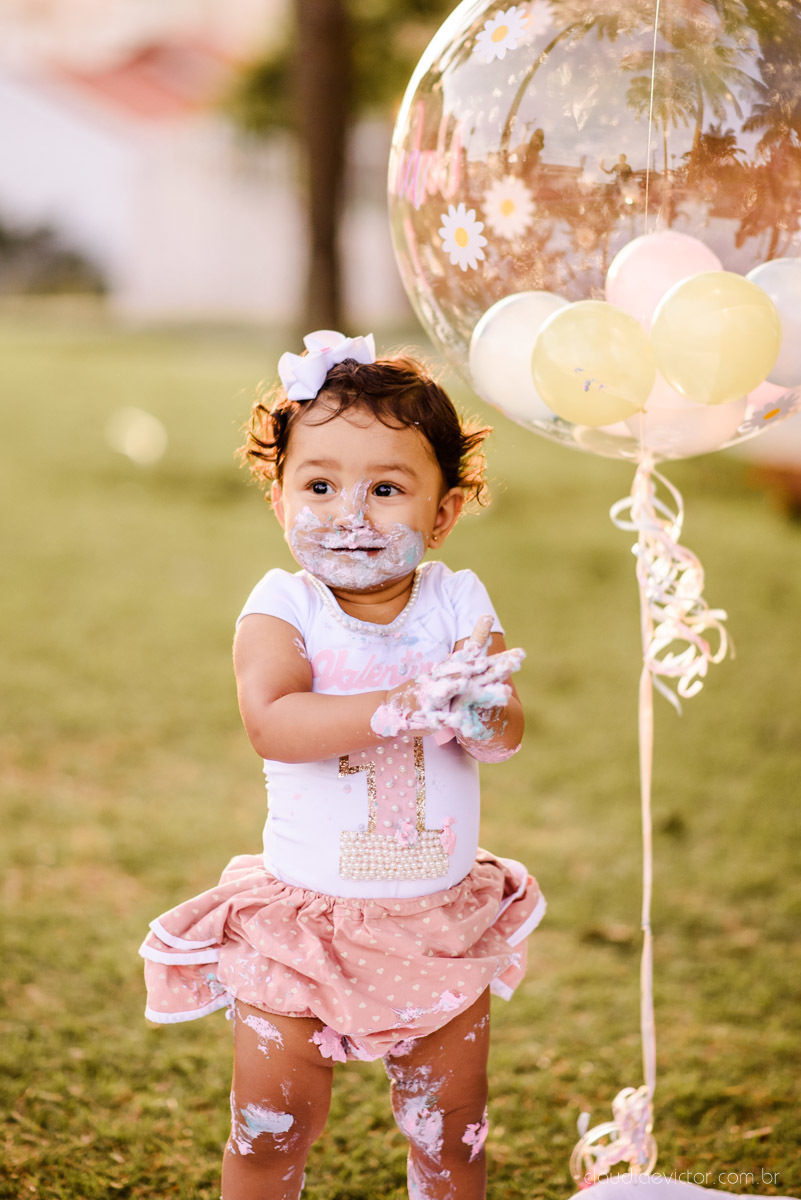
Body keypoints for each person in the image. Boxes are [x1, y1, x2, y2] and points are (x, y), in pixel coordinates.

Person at [139, 331, 546, 1200]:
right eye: (319, 486)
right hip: (303, 928)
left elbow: (504, 735)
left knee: (452, 1136)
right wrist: (400, 705)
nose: (349, 514)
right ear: (279, 499)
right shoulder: (284, 605)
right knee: (270, 1132)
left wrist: (475, 707)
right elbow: (273, 722)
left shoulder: (456, 602)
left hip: (434, 923)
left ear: (443, 514)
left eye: (386, 490)